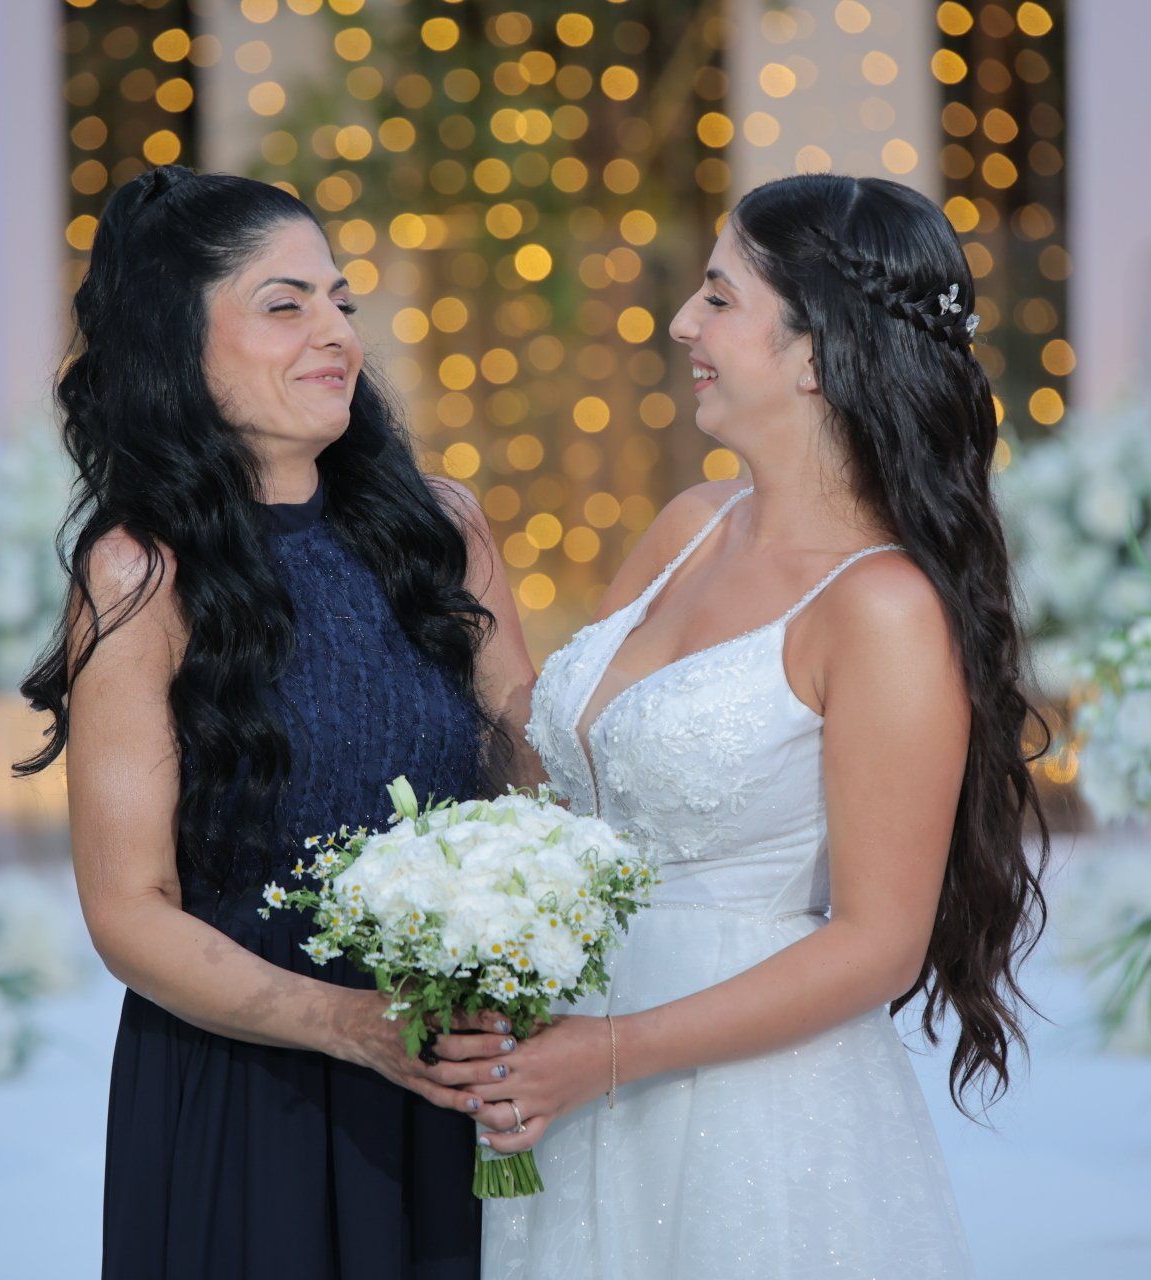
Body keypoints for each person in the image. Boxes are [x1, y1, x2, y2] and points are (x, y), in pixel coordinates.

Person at [445, 174, 1052, 1278]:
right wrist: (474, 568)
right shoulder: (690, 523)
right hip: (572, 1067)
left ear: (817, 352)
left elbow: (877, 944)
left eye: (720, 298)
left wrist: (611, 1053)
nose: (683, 322)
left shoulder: (884, 608)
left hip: (749, 1111)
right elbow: (559, 778)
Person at [16, 167, 536, 1280]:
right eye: (284, 304)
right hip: (253, 1090)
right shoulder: (142, 573)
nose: (336, 332)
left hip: (454, 1069)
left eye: (340, 301)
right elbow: (129, 910)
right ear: (177, 344)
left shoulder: (442, 528)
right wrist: (349, 1022)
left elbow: (532, 779)